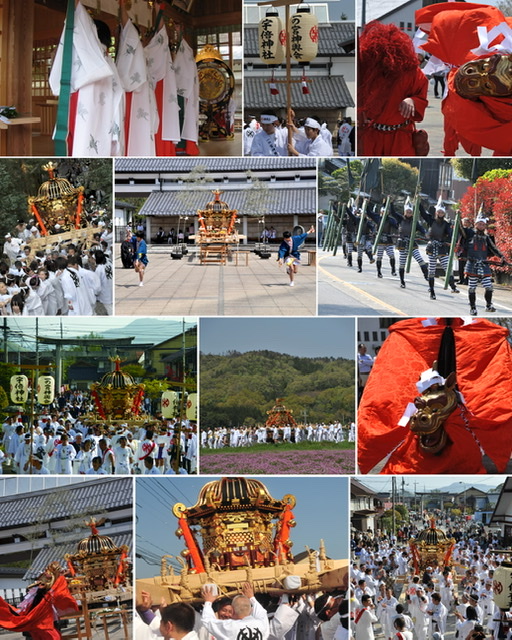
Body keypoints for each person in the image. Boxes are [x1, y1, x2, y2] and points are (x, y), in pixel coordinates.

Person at [358, 21, 428, 155]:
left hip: (401, 134)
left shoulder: (413, 73)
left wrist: (413, 101)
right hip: (372, 134)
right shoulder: (368, 71)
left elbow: (421, 96)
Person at [464, 214, 506, 316]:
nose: (481, 226)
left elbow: (493, 248)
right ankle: (473, 308)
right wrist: (458, 216)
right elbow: (461, 229)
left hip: (484, 264)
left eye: (483, 224)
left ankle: (488, 305)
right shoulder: (470, 234)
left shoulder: (486, 237)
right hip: (472, 264)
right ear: (475, 225)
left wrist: (501, 256)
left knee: (489, 287)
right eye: (479, 224)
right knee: (472, 287)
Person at [421, 197, 460, 300]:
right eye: (439, 212)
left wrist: (450, 242)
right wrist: (419, 202)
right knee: (432, 271)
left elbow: (451, 234)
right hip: (431, 248)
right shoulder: (431, 220)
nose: (440, 213)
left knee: (448, 268)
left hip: (442, 248)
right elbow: (423, 213)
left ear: (444, 213)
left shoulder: (447, 224)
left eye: (442, 212)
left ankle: (453, 286)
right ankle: (432, 291)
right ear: (436, 212)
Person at [201, 582, 270, 640]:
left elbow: (207, 621)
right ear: (251, 610)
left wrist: (208, 602)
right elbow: (262, 612)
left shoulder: (230, 627)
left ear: (233, 611)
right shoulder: (261, 624)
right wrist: (251, 597)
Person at [394, 197, 429, 288]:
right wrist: (390, 203)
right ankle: (402, 281)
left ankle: (426, 275)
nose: (409, 213)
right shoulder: (400, 219)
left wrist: (425, 233)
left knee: (420, 259)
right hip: (402, 244)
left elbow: (421, 229)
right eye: (407, 212)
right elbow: (392, 212)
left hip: (411, 243)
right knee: (402, 263)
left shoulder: (415, 222)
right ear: (405, 212)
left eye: (410, 212)